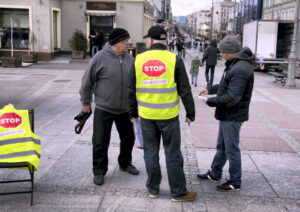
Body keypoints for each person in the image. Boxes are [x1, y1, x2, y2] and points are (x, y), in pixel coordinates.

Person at [128, 26, 197, 202]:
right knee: (172, 153)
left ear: (150, 41)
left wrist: (132, 112)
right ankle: (178, 192)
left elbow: (130, 89)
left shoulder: (138, 59)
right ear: (165, 41)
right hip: (168, 116)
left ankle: (153, 189)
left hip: (147, 116)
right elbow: (185, 89)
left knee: (150, 152)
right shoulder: (174, 58)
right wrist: (190, 112)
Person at [79, 28, 140, 186]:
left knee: (128, 139)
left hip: (125, 109)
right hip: (104, 108)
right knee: (100, 141)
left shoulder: (130, 59)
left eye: (128, 40)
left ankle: (125, 163)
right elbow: (87, 81)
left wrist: (135, 105)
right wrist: (85, 102)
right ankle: (99, 171)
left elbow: (135, 84)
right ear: (116, 43)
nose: (128, 43)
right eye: (125, 41)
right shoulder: (100, 57)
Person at [197, 35, 255, 192]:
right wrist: (210, 89)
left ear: (231, 51)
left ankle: (235, 181)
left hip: (233, 115)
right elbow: (225, 84)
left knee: (231, 149)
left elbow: (232, 97)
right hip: (228, 114)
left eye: (223, 52)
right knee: (222, 146)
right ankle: (215, 174)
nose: (221, 54)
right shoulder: (235, 64)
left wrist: (211, 101)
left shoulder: (240, 68)